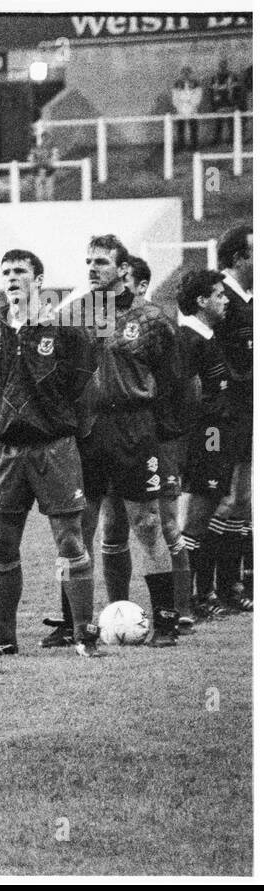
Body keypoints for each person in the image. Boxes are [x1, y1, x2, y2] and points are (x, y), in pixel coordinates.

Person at [59, 235, 182, 649]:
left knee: (146, 525)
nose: (92, 268)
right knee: (79, 528)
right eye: (88, 261)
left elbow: (174, 380)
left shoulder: (151, 318)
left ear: (123, 269)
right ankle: (73, 624)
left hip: (134, 430)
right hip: (88, 432)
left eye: (102, 263)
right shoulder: (74, 314)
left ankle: (165, 620)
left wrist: (162, 431)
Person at [0, 249, 98, 656]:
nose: (12, 278)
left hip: (54, 448)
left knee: (69, 539)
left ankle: (84, 632)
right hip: (5, 453)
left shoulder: (65, 331)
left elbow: (85, 391)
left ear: (39, 280)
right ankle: (4, 634)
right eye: (7, 271)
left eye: (21, 272)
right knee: (0, 545)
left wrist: (68, 433)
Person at [126, 256, 195, 630]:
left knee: (167, 525)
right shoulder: (104, 320)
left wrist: (171, 433)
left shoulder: (158, 326)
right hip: (124, 438)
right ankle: (120, 607)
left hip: (160, 440)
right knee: (117, 527)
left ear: (141, 286)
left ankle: (182, 609)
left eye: (129, 280)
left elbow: (183, 386)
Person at [187, 225, 253, 614]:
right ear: (239, 259)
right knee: (216, 499)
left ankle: (228, 584)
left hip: (244, 414)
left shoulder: (247, 298)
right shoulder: (218, 299)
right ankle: (202, 590)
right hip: (219, 419)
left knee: (240, 500)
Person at [175, 269, 240, 619]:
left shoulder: (207, 336)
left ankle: (203, 593)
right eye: (218, 294)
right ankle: (188, 601)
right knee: (198, 516)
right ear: (201, 301)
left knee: (215, 508)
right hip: (206, 438)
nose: (225, 299)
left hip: (217, 435)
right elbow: (191, 399)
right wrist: (207, 439)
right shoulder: (189, 340)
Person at [208, 58, 242, 146]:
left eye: (224, 65)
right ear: (219, 66)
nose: (223, 67)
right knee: (218, 124)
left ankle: (233, 140)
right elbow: (211, 92)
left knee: (232, 124)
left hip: (230, 103)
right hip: (219, 104)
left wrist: (236, 103)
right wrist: (213, 104)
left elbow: (237, 90)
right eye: (221, 65)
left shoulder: (233, 76)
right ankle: (217, 141)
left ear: (227, 66)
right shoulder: (215, 77)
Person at [172, 66, 203, 152]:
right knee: (180, 128)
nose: (186, 75)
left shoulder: (196, 83)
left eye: (187, 73)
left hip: (192, 108)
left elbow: (198, 95)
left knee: (193, 128)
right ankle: (181, 145)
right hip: (181, 108)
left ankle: (194, 145)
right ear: (181, 74)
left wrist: (193, 105)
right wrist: (178, 107)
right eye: (184, 73)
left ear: (190, 74)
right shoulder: (177, 84)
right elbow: (175, 97)